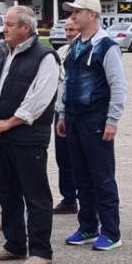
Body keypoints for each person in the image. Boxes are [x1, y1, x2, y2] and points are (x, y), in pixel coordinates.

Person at [0, 6, 60, 264]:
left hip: (28, 137)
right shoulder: (3, 53)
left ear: (26, 28)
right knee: (7, 193)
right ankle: (14, 244)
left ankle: (41, 250)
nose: (5, 29)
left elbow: (39, 99)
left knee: (35, 195)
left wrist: (9, 122)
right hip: (2, 136)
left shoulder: (45, 57)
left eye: (10, 24)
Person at [56, 0, 127, 251]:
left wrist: (112, 120)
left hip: (95, 118)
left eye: (78, 12)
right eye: (72, 12)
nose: (72, 17)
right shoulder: (75, 46)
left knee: (102, 176)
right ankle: (87, 226)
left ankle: (111, 231)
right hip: (74, 118)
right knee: (81, 176)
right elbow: (67, 83)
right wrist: (63, 114)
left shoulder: (107, 46)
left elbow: (117, 85)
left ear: (92, 15)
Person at [53, 18, 80, 214]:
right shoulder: (61, 52)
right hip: (60, 112)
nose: (68, 33)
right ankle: (69, 198)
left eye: (72, 29)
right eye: (66, 30)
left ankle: (90, 199)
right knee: (63, 157)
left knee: (82, 158)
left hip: (81, 113)